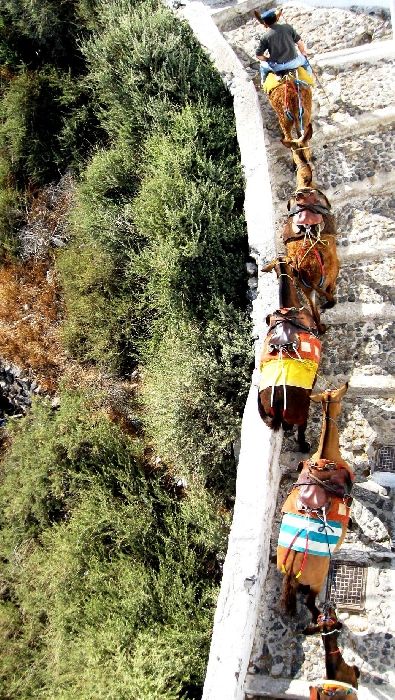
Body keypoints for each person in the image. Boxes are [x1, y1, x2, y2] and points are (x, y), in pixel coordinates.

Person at [255, 8, 311, 85]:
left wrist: (268, 60)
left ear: (265, 23)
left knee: (263, 67)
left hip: (277, 66)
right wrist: (303, 52)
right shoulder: (288, 27)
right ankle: (308, 83)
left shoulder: (265, 37)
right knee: (305, 62)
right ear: (276, 18)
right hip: (294, 63)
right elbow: (300, 43)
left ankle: (263, 85)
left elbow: (258, 55)